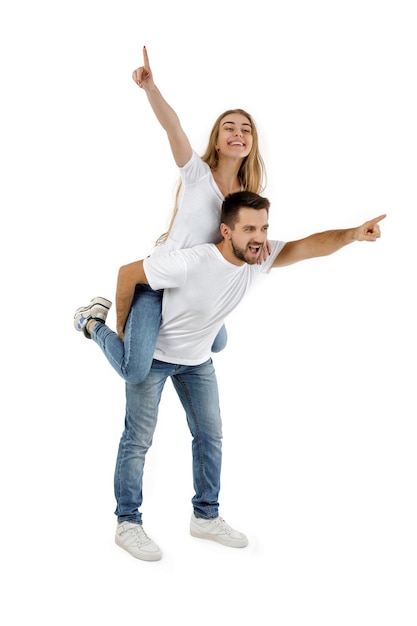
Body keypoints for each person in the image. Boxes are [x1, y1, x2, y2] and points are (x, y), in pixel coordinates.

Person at [74, 191, 385, 561]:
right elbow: (128, 274)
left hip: (196, 360)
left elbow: (308, 246)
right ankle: (128, 522)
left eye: (265, 227)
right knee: (138, 441)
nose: (260, 237)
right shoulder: (191, 262)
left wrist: (352, 234)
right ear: (226, 231)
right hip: (154, 354)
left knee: (210, 435)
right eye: (250, 228)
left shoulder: (259, 258)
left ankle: (205, 516)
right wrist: (124, 333)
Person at [74, 46, 269, 384]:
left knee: (218, 343)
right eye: (230, 128)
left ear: (252, 142)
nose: (238, 133)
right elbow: (172, 126)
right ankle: (90, 321)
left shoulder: (248, 197)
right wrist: (151, 88)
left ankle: (167, 341)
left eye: (245, 130)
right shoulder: (197, 174)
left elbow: (248, 238)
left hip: (195, 286)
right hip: (158, 281)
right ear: (219, 141)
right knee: (135, 369)